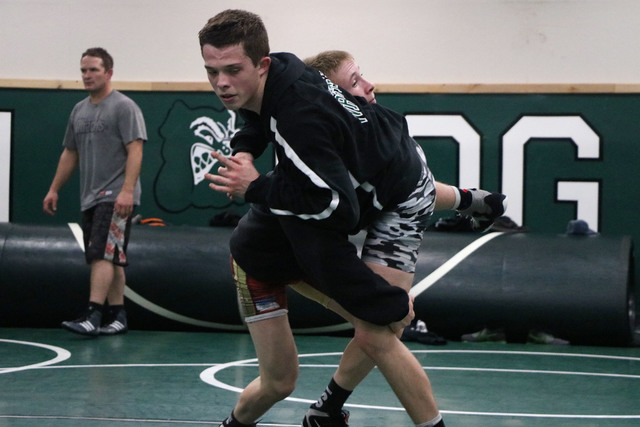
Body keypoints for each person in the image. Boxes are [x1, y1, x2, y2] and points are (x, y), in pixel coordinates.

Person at [199, 9, 450, 427]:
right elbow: (333, 218)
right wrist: (248, 158)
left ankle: (331, 412)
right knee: (280, 382)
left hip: (304, 245)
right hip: (262, 260)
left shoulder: (305, 112)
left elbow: (334, 217)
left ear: (263, 65)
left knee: (379, 330)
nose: (222, 83)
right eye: (212, 72)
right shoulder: (288, 84)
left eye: (232, 70)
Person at [43, 47, 146, 337]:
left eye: (93, 70)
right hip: (90, 196)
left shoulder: (124, 107)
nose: (87, 76)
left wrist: (127, 191)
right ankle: (118, 315)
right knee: (111, 255)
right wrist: (54, 189)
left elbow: (136, 150)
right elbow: (69, 153)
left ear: (108, 73)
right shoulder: (79, 110)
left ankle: (92, 315)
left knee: (102, 253)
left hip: (115, 196)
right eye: (83, 71)